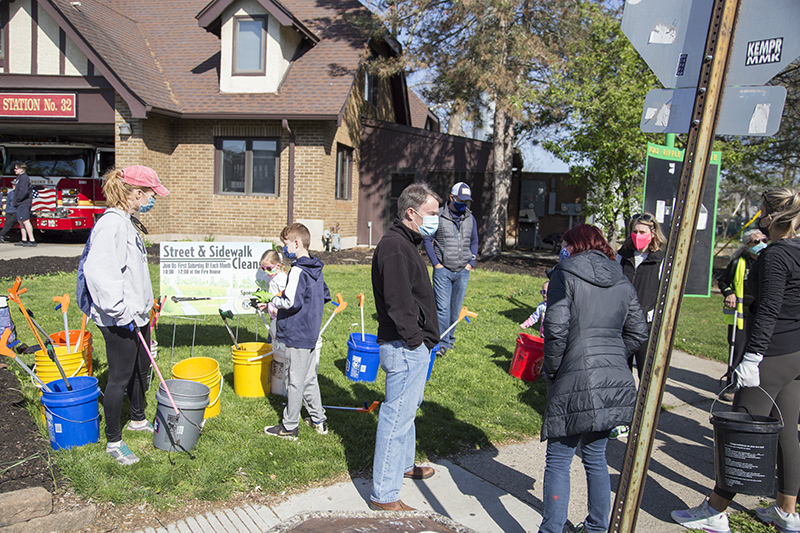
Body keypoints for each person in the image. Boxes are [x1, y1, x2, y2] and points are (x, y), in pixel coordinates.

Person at [672, 188, 800, 533]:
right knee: (787, 434)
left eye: (760, 211)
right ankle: (787, 512)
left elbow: (769, 310)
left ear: (770, 217)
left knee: (741, 430)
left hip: (771, 355)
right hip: (796, 355)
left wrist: (752, 358)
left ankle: (715, 511)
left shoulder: (776, 256)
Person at [539, 224, 648, 533]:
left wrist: (554, 369)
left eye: (565, 244)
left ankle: (552, 529)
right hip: (613, 378)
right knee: (596, 456)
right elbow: (638, 332)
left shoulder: (564, 274)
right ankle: (598, 527)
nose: (562, 250)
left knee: (559, 459)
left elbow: (556, 330)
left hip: (573, 376)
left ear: (575, 246)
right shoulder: (622, 278)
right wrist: (613, 355)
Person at [83, 165, 169, 465]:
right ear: (135, 193)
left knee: (139, 370)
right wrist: (121, 312)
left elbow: (131, 272)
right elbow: (100, 273)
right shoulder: (111, 225)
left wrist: (145, 304)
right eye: (151, 194)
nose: (153, 200)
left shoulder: (127, 222)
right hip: (120, 318)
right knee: (119, 378)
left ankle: (137, 419)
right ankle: (114, 441)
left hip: (138, 315)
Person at [370, 183, 441, 511]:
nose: (436, 220)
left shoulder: (408, 242)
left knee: (407, 411)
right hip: (403, 346)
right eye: (431, 214)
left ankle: (404, 465)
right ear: (411, 213)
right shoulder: (396, 247)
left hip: (412, 344)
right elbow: (399, 304)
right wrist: (416, 341)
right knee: (395, 417)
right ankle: (384, 494)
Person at [264, 223, 331, 440]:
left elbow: (290, 301)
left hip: (298, 333)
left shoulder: (297, 270)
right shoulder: (316, 268)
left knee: (294, 380)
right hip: (311, 331)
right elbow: (325, 295)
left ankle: (289, 426)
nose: (284, 249)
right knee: (309, 377)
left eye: (285, 244)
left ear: (296, 243)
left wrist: (273, 299)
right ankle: (318, 419)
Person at [423, 182, 478, 356]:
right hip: (443, 270)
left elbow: (474, 241)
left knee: (455, 309)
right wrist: (436, 264)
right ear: (452, 198)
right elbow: (426, 240)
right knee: (442, 309)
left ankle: (449, 339)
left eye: (466, 201)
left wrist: (471, 263)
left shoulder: (470, 218)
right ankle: (441, 343)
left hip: (463, 270)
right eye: (461, 200)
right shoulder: (438, 216)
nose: (464, 204)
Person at [716, 228, 768, 401]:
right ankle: (732, 386)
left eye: (763, 240)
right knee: (738, 349)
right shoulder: (739, 263)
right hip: (742, 313)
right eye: (756, 241)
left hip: (762, 312)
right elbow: (723, 281)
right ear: (747, 246)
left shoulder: (770, 261)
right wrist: (729, 293)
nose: (761, 244)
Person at [616, 212, 666, 378]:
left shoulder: (661, 260)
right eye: (635, 231)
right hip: (622, 322)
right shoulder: (622, 256)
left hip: (646, 325)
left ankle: (644, 404)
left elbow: (664, 293)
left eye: (642, 232)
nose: (638, 236)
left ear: (653, 234)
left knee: (646, 371)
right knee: (621, 369)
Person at [11, 163, 36, 247]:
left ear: (22, 169)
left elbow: (24, 191)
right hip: (19, 203)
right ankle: (24, 239)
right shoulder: (19, 178)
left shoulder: (24, 178)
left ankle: (32, 240)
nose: (15, 170)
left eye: (16, 168)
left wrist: (18, 199)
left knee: (25, 221)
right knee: (21, 221)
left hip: (23, 203)